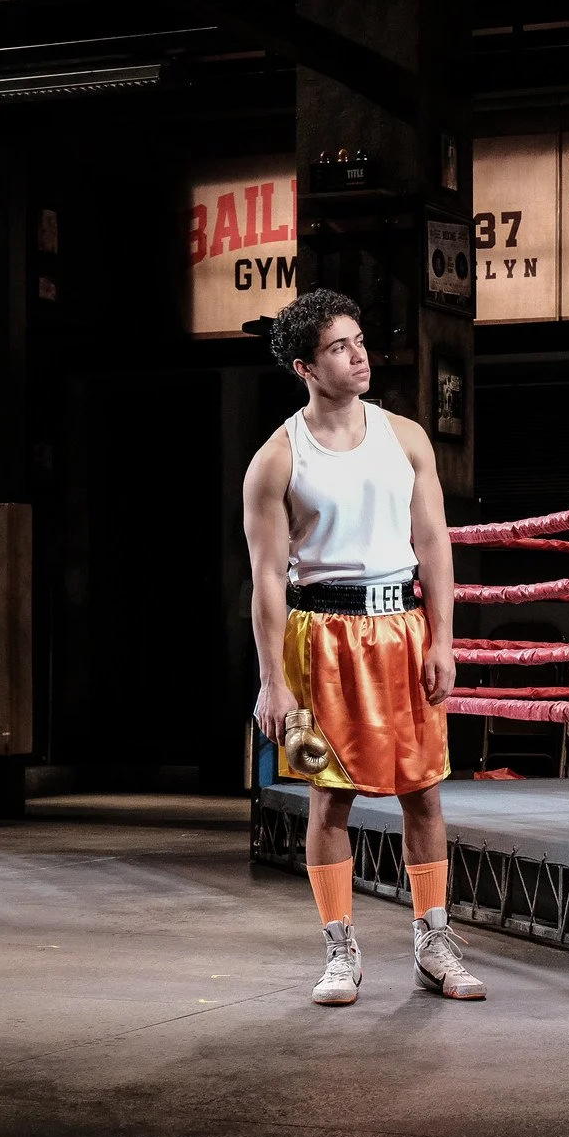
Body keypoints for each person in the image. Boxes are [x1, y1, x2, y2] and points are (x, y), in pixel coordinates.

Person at [243, 288, 484, 1005]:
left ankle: (433, 941)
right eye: (339, 348)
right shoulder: (276, 461)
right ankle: (339, 951)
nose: (359, 356)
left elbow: (434, 542)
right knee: (327, 799)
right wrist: (271, 682)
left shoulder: (406, 436)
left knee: (425, 793)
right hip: (314, 645)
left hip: (401, 637)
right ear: (304, 367)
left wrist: (443, 637)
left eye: (359, 341)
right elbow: (263, 581)